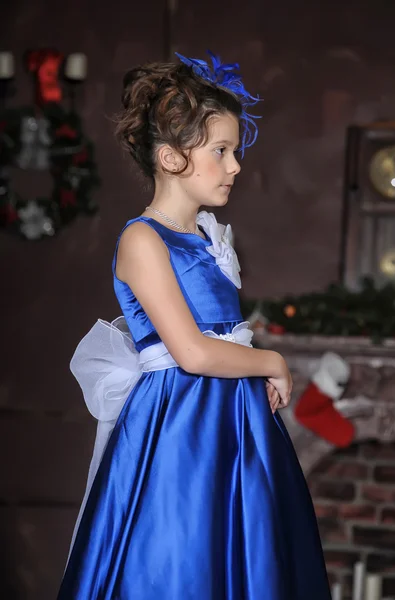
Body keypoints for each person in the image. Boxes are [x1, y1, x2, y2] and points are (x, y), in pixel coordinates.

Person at [57, 51, 331, 599]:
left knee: (245, 556)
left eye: (234, 151)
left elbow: (222, 334)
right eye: (221, 151)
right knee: (183, 554)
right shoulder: (143, 239)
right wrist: (273, 361)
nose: (235, 166)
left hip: (237, 421)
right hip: (180, 423)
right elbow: (194, 354)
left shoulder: (212, 239)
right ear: (171, 157)